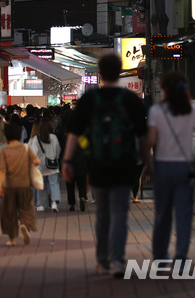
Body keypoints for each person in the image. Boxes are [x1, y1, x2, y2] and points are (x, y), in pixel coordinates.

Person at [62, 54, 150, 278]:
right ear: (120, 72)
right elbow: (144, 135)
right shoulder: (131, 100)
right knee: (120, 213)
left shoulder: (90, 100)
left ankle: (102, 261)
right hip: (124, 164)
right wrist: (146, 161)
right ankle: (118, 261)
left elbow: (74, 133)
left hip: (97, 165)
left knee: (102, 214)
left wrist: (68, 161)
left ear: (100, 73)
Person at [147, 71, 195, 266]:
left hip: (163, 167)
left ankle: (160, 256)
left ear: (165, 90)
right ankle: (181, 256)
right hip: (185, 168)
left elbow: (151, 141)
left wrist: (148, 165)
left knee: (162, 214)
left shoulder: (156, 111)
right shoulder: (193, 110)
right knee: (184, 214)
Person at [0, 123, 40, 246]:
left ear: (6, 136)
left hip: (9, 185)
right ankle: (25, 226)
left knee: (8, 212)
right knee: (26, 208)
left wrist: (0, 187)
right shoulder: (26, 148)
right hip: (24, 183)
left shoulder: (5, 150)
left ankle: (12, 239)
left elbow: (2, 170)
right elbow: (37, 161)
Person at [29, 114, 62, 213]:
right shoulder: (53, 137)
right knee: (54, 184)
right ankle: (54, 203)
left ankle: (40, 204)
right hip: (52, 164)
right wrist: (55, 157)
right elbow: (58, 150)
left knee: (41, 185)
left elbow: (34, 153)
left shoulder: (36, 138)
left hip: (40, 165)